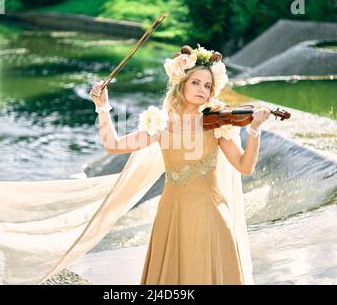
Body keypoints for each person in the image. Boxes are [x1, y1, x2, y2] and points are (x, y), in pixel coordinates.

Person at [89, 44, 271, 284]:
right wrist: (102, 107)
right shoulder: (160, 124)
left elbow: (244, 166)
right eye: (196, 82)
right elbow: (114, 144)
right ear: (182, 82)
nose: (202, 90)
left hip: (211, 216)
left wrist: (255, 130)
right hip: (172, 216)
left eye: (208, 86)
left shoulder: (217, 122)